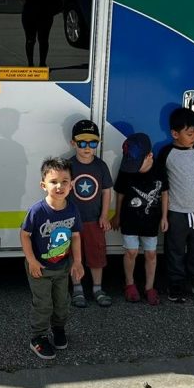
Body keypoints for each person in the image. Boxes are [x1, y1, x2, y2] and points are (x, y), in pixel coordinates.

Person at [20, 158, 84, 360]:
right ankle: (37, 337)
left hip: (62, 267)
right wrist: (31, 260)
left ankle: (58, 329)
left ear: (72, 184)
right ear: (43, 185)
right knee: (43, 304)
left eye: (65, 181)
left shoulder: (72, 209)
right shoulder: (37, 211)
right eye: (54, 181)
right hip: (39, 267)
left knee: (61, 302)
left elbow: (75, 236)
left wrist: (77, 261)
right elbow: (25, 235)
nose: (59, 186)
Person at [157, 107, 194, 303]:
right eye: (189, 134)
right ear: (174, 133)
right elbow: (162, 184)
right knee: (175, 251)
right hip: (176, 213)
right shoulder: (166, 153)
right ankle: (176, 284)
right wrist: (164, 216)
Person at [112, 132, 166, 306]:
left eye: (137, 164)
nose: (132, 168)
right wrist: (117, 215)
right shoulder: (126, 167)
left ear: (149, 155)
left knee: (151, 254)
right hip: (129, 219)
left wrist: (165, 216)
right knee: (131, 252)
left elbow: (165, 193)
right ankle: (129, 284)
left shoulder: (159, 168)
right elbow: (120, 193)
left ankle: (149, 287)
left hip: (151, 221)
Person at [67, 119, 114, 308]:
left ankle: (97, 288)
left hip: (94, 221)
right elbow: (61, 191)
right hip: (72, 223)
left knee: (96, 255)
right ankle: (77, 288)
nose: (87, 147)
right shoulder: (68, 165)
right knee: (74, 255)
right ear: (73, 143)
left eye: (93, 143)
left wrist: (104, 215)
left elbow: (106, 191)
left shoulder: (100, 166)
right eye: (82, 143)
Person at [2, 0, 60, 67]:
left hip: (45, 12)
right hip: (29, 12)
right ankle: (30, 65)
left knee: (43, 40)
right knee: (30, 40)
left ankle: (42, 64)